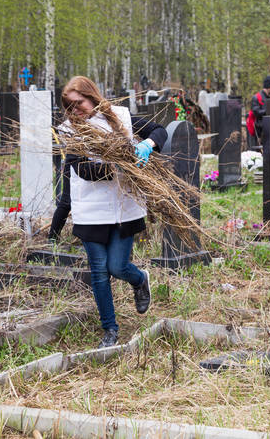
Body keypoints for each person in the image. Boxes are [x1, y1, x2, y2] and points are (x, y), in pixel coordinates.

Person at [59, 76, 167, 348]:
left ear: (92, 96)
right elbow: (82, 170)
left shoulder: (121, 117)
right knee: (98, 271)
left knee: (117, 266)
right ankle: (110, 330)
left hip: (124, 207)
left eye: (79, 103)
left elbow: (160, 131)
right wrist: (120, 165)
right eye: (69, 106)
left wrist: (146, 146)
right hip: (90, 210)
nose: (75, 110)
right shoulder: (68, 130)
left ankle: (140, 279)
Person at [246, 75, 270, 142]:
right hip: (260, 132)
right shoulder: (256, 97)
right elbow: (256, 112)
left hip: (269, 129)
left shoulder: (269, 98)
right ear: (269, 87)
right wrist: (268, 111)